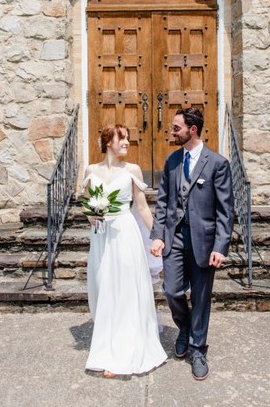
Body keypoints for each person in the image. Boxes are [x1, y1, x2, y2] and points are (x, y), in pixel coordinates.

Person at [150, 107, 234, 381]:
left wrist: (220, 247)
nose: (172, 132)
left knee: (201, 298)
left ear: (192, 130)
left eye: (176, 128)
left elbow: (226, 210)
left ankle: (198, 348)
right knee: (172, 290)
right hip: (174, 238)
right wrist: (158, 235)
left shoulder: (217, 163)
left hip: (204, 241)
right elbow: (163, 202)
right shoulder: (173, 161)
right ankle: (184, 327)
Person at [83, 124, 167, 378]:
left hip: (125, 233)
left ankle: (124, 351)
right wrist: (95, 216)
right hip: (101, 236)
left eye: (128, 138)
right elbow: (89, 208)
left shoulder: (132, 170)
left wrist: (158, 237)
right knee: (103, 287)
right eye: (122, 138)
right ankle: (107, 343)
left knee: (126, 288)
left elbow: (141, 208)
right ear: (108, 141)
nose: (127, 142)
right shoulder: (91, 170)